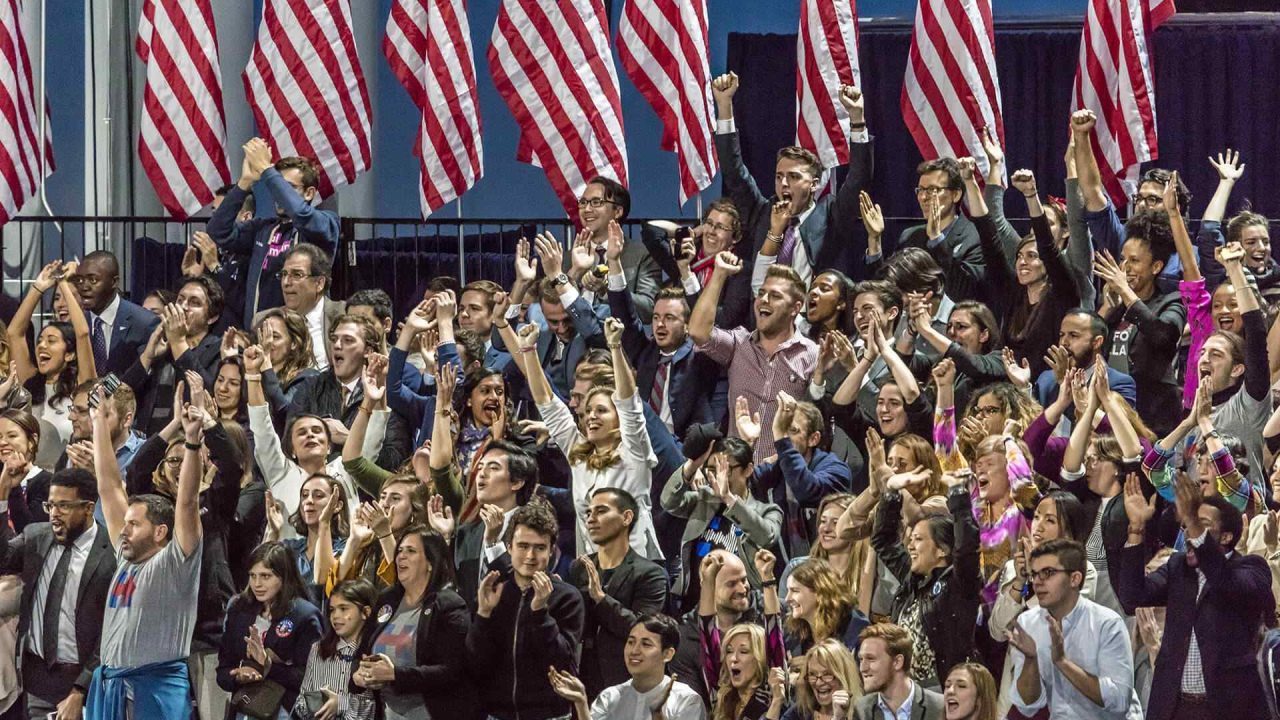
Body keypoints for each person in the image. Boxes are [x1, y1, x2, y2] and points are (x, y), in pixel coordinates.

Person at [86, 384, 203, 719]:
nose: (123, 530)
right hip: (111, 688)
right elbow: (108, 485)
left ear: (160, 532)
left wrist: (193, 442)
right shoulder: (125, 558)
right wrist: (98, 422)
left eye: (134, 524)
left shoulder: (175, 562)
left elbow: (188, 502)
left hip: (154, 692)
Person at [1121, 469, 1273, 718]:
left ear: (1226, 536)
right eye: (1187, 525)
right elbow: (1132, 598)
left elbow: (1225, 582)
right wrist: (1136, 529)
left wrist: (1192, 519)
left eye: (1201, 525)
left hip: (1227, 709)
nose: (1189, 534)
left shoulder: (1251, 569)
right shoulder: (1178, 567)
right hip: (1174, 707)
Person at [510, 315, 661, 559]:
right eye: (588, 410)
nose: (591, 416)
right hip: (593, 567)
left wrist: (614, 346)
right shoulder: (578, 455)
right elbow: (548, 404)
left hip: (637, 568)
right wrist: (528, 350)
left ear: (618, 417)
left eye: (601, 410)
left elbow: (630, 404)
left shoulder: (634, 452)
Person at [711, 72, 872, 285]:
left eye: (794, 177)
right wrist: (724, 106)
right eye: (779, 177)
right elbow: (734, 172)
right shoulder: (762, 213)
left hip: (810, 315)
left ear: (814, 184)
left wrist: (857, 120)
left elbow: (858, 179)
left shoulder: (831, 216)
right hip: (764, 315)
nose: (784, 184)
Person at [0, 467, 114, 720]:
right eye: (50, 505)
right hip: (36, 680)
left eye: (64, 506)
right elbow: (2, 559)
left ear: (88, 507)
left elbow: (111, 631)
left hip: (87, 685)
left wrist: (80, 689)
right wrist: (2, 496)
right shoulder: (36, 536)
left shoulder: (111, 555)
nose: (54, 514)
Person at [690, 252, 817, 464]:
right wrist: (719, 274)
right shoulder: (739, 344)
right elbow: (698, 331)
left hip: (782, 480)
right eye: (761, 293)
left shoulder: (811, 355)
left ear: (796, 308)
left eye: (775, 296)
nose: (764, 300)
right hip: (735, 475)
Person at [467, 499, 585, 720]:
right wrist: (483, 614)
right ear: (509, 547)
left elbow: (563, 665)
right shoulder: (494, 591)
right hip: (496, 714)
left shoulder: (567, 597)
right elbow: (475, 663)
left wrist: (540, 612)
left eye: (539, 547)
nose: (530, 556)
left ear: (551, 551)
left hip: (549, 715)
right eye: (523, 546)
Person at [206, 139, 339, 327]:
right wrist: (245, 182)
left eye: (288, 188)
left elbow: (301, 214)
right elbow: (218, 231)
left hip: (304, 337)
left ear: (309, 193)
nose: (278, 193)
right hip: (261, 335)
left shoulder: (326, 223)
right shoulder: (263, 228)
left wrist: (267, 170)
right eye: (276, 187)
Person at [605, 223, 720, 438]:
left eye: (669, 318)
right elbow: (625, 315)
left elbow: (703, 320)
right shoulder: (645, 353)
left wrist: (685, 271)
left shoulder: (701, 356)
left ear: (687, 325)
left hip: (685, 450)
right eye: (656, 317)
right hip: (645, 445)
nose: (659, 324)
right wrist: (613, 262)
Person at [1008, 539, 1142, 719]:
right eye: (1034, 574)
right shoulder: (1027, 623)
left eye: (1048, 573)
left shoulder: (1107, 623)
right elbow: (1028, 706)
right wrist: (1031, 660)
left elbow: (1119, 701)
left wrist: (1063, 662)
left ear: (1074, 578)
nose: (1037, 582)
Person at [352, 526, 476, 719]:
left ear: (430, 563)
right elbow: (361, 653)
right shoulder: (387, 599)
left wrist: (395, 675)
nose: (401, 556)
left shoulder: (448, 605)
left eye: (411, 551)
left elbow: (453, 670)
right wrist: (358, 675)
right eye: (400, 550)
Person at [870, 480, 980, 688]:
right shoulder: (911, 580)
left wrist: (957, 494)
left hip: (944, 689)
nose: (910, 546)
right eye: (910, 539)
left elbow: (966, 550)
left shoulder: (958, 585)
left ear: (942, 550)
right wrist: (892, 493)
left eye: (918, 539)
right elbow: (883, 541)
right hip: (906, 689)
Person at [661, 437, 783, 611]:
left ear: (748, 470)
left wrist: (729, 498)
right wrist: (691, 466)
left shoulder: (767, 511)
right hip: (694, 602)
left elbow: (767, 536)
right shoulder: (704, 500)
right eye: (712, 469)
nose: (719, 476)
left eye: (726, 469)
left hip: (740, 605)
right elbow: (669, 502)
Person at [570, 487, 668, 698]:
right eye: (588, 513)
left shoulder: (651, 574)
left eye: (601, 511)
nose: (591, 519)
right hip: (583, 680)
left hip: (627, 683)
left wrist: (600, 598)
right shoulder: (579, 568)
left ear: (626, 517)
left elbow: (643, 631)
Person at [216, 541, 324, 718]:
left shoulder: (305, 615)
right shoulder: (237, 608)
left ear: (284, 577)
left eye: (266, 576)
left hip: (287, 710)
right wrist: (237, 676)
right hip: (245, 708)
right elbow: (223, 670)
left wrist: (268, 666)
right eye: (253, 575)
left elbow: (314, 678)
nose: (257, 584)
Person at [7, 260, 96, 468]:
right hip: (29, 480)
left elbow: (82, 334)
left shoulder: (82, 386)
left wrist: (63, 283)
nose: (41, 346)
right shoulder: (31, 382)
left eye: (51, 341)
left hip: (67, 481)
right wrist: (38, 288)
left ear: (69, 354)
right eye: (40, 341)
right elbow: (14, 334)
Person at [748, 392, 852, 558]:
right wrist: (747, 445)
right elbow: (742, 489)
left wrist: (782, 440)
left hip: (827, 571)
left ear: (813, 439)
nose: (786, 436)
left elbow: (807, 490)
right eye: (784, 430)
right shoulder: (776, 469)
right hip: (785, 573)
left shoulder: (837, 470)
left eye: (793, 431)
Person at [548, 613, 706, 720]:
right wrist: (581, 702)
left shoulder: (686, 700)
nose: (634, 651)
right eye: (631, 642)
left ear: (668, 654)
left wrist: (657, 715)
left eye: (646, 644)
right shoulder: (610, 697)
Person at [868, 159, 984, 303]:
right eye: (921, 190)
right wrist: (874, 241)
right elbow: (887, 291)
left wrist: (936, 239)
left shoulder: (974, 236)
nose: (923, 197)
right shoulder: (910, 236)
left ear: (956, 195)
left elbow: (963, 292)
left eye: (932, 190)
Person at [291, 578, 377, 720]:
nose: (335, 616)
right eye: (332, 610)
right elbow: (301, 701)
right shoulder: (319, 649)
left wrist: (340, 704)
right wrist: (316, 703)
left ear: (365, 612)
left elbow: (373, 709)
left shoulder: (373, 653)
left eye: (343, 609)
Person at [252, 243, 345, 372]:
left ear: (319, 283)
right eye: (284, 274)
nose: (286, 282)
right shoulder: (264, 320)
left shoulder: (344, 315)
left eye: (296, 275)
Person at [70, 251, 161, 376]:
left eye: (93, 280)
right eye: (79, 280)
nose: (84, 287)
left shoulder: (144, 323)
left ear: (114, 282)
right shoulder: (77, 324)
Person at [263, 474, 349, 603]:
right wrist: (272, 531)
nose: (308, 501)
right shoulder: (289, 547)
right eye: (304, 495)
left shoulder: (345, 547)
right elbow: (261, 577)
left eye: (318, 495)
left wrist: (324, 523)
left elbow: (324, 582)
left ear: (337, 506)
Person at [851, 623, 944, 720]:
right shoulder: (862, 711)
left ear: (897, 662)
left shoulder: (939, 707)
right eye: (861, 659)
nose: (863, 668)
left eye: (871, 659)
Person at [783, 557, 869, 658]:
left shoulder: (855, 629)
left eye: (795, 591)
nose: (787, 599)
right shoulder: (795, 632)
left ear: (819, 592)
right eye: (788, 591)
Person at [251, 307, 320, 420]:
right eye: (264, 335)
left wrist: (266, 360)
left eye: (275, 336)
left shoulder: (308, 378)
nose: (266, 342)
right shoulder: (255, 374)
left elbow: (286, 412)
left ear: (294, 343)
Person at [774, 639, 862, 720]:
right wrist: (776, 700)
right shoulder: (800, 713)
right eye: (812, 674)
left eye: (827, 674)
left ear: (843, 676)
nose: (818, 682)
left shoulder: (863, 713)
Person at [0, 409, 52, 530]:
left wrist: (14, 488)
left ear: (32, 441)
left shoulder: (47, 482)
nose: (2, 442)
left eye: (12, 436)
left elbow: (31, 536)